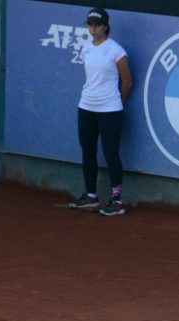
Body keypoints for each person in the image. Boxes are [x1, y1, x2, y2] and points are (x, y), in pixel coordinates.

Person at [69, 7, 132, 216]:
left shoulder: (116, 50)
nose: (93, 29)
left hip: (110, 110)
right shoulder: (86, 49)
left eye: (97, 25)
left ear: (105, 26)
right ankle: (91, 196)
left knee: (111, 154)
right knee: (88, 151)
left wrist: (116, 104)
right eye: (90, 24)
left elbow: (128, 83)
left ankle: (116, 200)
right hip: (86, 107)